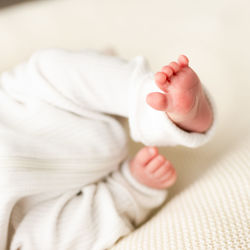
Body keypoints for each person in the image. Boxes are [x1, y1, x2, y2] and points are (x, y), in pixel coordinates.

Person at [0, 48, 215, 250]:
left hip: (31, 108)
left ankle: (156, 102)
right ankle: (126, 187)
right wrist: (130, 189)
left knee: (48, 68)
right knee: (48, 241)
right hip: (51, 204)